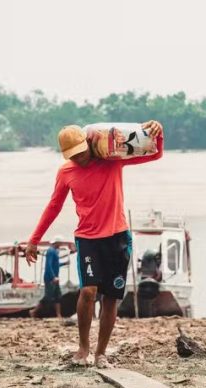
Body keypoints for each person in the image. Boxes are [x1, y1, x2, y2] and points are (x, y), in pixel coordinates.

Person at [25, 120, 164, 368]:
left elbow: (154, 155)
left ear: (88, 143)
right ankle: (83, 349)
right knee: (88, 292)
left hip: (117, 237)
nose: (79, 159)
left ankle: (101, 353)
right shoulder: (66, 172)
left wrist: (157, 132)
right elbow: (53, 206)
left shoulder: (112, 158)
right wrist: (34, 240)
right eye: (73, 156)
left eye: (81, 152)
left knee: (110, 298)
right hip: (88, 238)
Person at [30, 236, 68, 318]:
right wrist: (53, 277)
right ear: (57, 243)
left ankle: (58, 315)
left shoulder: (54, 251)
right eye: (60, 243)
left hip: (55, 278)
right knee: (48, 296)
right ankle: (34, 311)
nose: (61, 245)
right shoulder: (51, 251)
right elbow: (48, 265)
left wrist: (64, 263)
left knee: (58, 296)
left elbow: (55, 265)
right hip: (50, 278)